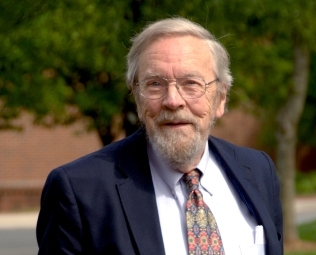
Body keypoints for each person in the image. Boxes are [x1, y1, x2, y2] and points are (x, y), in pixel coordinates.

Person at [36, 17, 283, 255]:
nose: (173, 101)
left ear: (220, 98)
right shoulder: (80, 190)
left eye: (191, 83)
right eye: (155, 84)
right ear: (137, 97)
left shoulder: (258, 171)